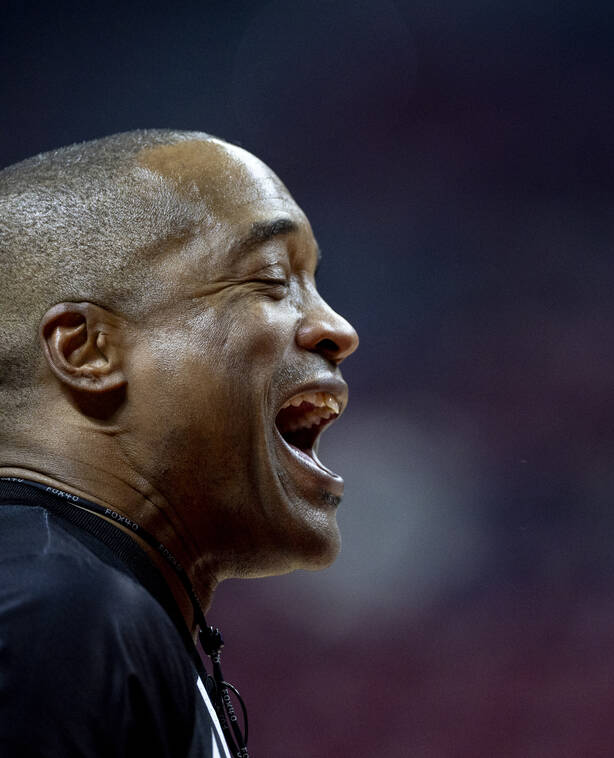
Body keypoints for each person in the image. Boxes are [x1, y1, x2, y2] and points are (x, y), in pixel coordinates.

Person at [0, 131, 358, 757]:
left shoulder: (73, 597)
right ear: (87, 350)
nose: (337, 329)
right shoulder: (55, 615)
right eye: (272, 281)